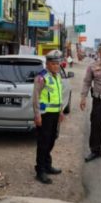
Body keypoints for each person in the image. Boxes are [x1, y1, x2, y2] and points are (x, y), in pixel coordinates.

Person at [33, 50, 65, 184]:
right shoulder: (41, 77)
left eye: (58, 63)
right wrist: (37, 115)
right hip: (44, 115)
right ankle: (40, 171)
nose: (56, 66)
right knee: (43, 143)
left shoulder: (57, 76)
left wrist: (61, 111)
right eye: (53, 63)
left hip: (55, 114)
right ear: (47, 64)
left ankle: (47, 165)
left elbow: (59, 95)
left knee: (52, 140)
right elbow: (36, 97)